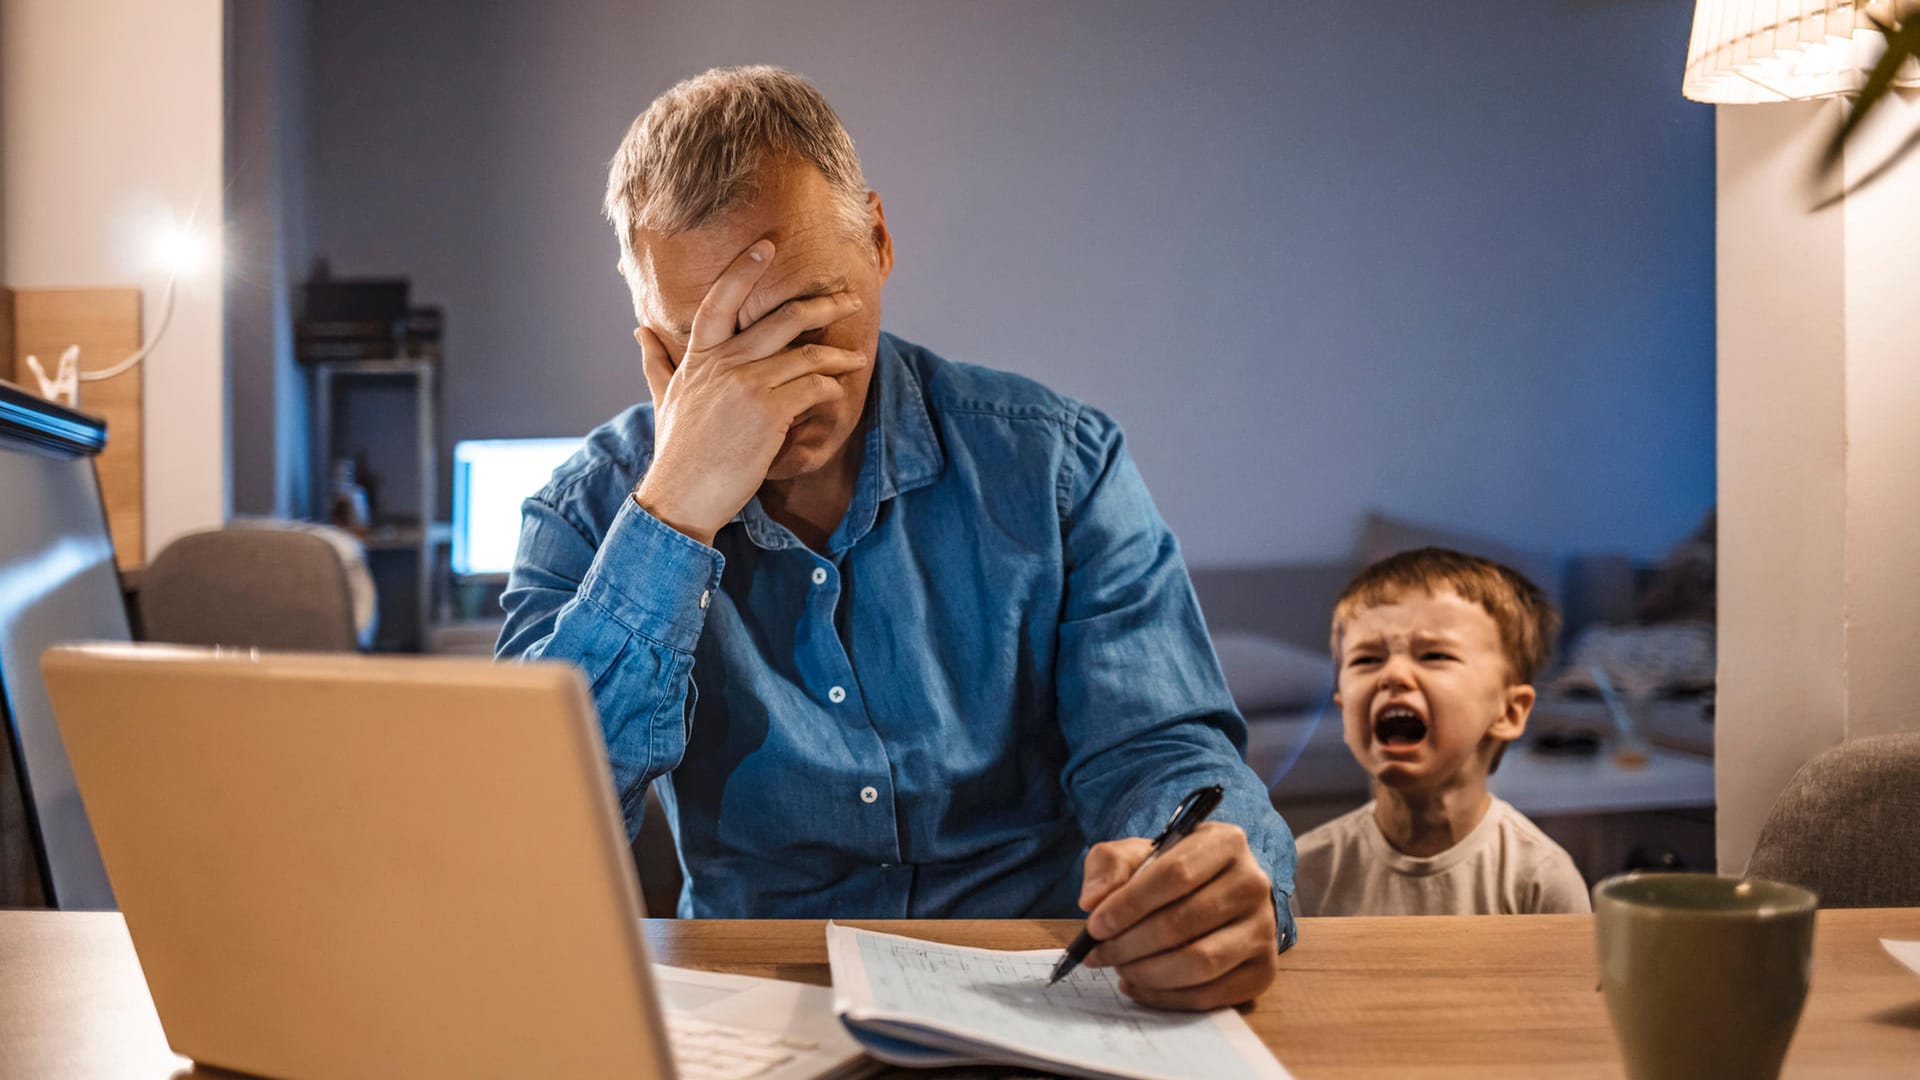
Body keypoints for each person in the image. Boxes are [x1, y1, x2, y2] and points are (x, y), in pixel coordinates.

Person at [495, 66, 1294, 1009]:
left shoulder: (1057, 466)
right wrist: (672, 514)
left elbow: (1161, 752)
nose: (782, 385)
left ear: (877, 240)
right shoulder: (588, 511)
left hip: (1041, 989)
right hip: (753, 1003)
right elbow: (522, 835)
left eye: (806, 319)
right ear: (656, 342)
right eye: (722, 350)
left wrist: (1196, 871)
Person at [1291, 548, 1589, 916]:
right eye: (1366, 659)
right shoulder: (1306, 871)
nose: (1393, 675)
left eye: (1434, 655)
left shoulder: (1540, 878)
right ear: (1345, 712)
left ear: (1509, 712)